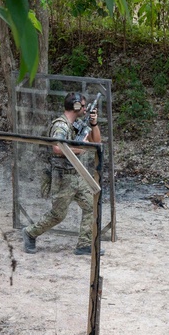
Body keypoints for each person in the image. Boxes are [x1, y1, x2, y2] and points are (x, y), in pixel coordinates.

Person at [23, 92, 102, 255]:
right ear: (76, 106)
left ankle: (84, 244)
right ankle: (30, 233)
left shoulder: (78, 124)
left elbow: (97, 143)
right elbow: (57, 148)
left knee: (92, 206)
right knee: (58, 215)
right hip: (63, 177)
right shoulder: (61, 125)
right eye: (83, 105)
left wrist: (94, 124)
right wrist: (78, 149)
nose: (86, 109)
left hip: (77, 174)